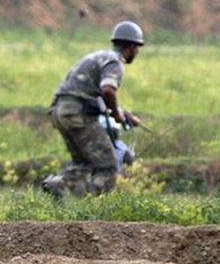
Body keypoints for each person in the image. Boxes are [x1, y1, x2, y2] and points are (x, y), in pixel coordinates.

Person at [41, 21, 145, 200]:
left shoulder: (98, 56)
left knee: (82, 163)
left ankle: (58, 183)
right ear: (131, 46)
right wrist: (118, 116)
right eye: (137, 48)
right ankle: (94, 210)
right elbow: (107, 90)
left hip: (60, 111)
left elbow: (88, 93)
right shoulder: (114, 62)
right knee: (108, 165)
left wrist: (118, 111)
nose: (136, 52)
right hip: (77, 115)